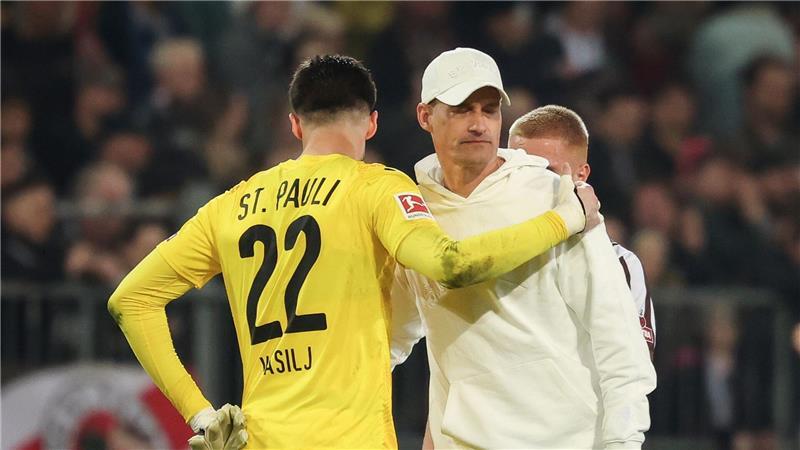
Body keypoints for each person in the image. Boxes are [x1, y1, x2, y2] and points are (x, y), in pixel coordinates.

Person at [108, 55, 599, 449]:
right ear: (371, 124)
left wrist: (202, 415)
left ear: (295, 126)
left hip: (259, 439)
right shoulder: (375, 189)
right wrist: (566, 219)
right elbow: (452, 264)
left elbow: (130, 301)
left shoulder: (231, 206)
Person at [391, 48, 656, 449]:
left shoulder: (558, 198)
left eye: (490, 109)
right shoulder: (413, 214)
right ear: (425, 116)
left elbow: (618, 340)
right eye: (462, 109)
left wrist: (624, 442)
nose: (479, 123)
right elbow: (390, 339)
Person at [508, 104, 657, 357]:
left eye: (547, 171)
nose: (529, 183)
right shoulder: (477, 246)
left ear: (581, 174)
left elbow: (634, 363)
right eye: (518, 170)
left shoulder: (617, 264)